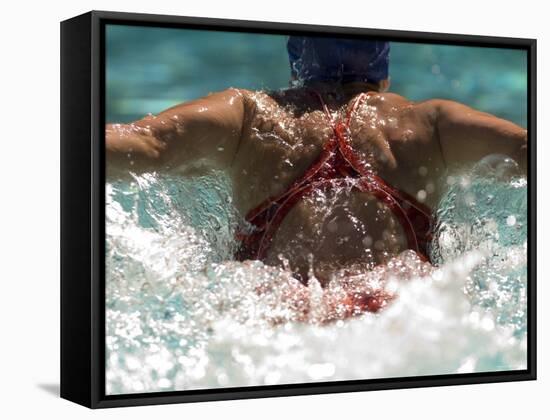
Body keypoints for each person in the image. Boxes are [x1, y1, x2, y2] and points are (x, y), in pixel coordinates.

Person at [106, 36, 527, 316]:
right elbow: (527, 151)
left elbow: (143, 145)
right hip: (395, 314)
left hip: (283, 310)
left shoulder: (250, 115)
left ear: (296, 63)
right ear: (384, 72)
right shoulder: (429, 124)